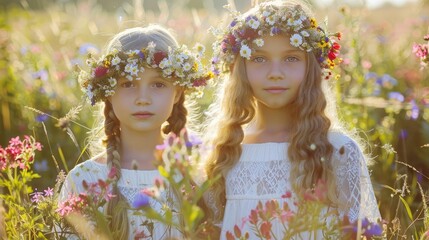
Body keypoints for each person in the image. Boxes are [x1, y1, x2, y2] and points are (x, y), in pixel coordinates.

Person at [203, 0, 381, 238]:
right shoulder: (225, 151)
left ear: (311, 68)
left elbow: (361, 233)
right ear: (239, 67)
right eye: (259, 58)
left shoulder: (337, 150)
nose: (275, 73)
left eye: (291, 58)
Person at [59, 25, 212, 239]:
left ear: (177, 93)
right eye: (128, 83)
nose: (143, 98)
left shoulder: (200, 176)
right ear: (108, 93)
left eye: (158, 84)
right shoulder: (84, 180)